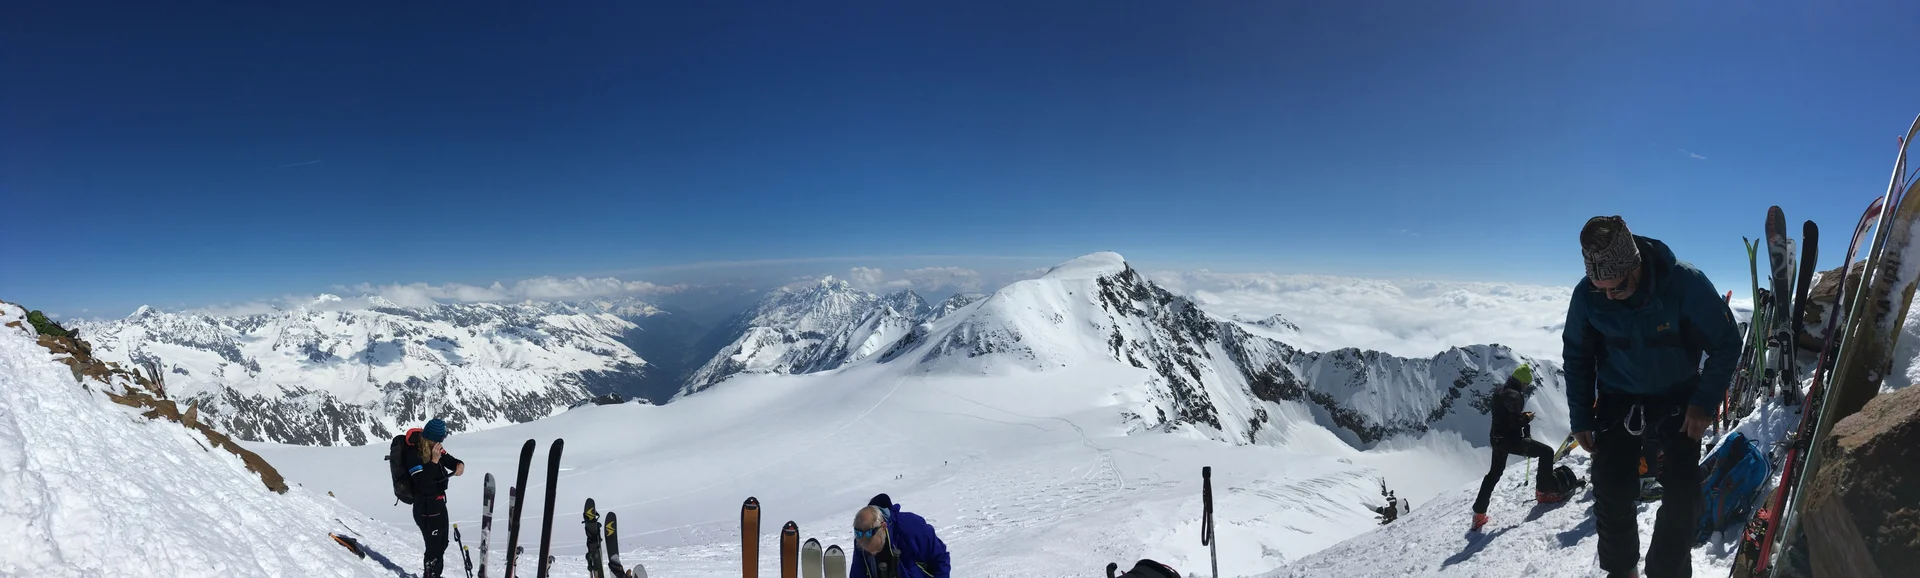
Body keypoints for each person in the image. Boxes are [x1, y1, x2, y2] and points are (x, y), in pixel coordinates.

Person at [1563, 216, 1741, 578]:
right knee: (1611, 490)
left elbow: (1726, 341)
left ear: (1636, 266)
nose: (1610, 296)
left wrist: (1704, 402)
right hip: (1618, 397)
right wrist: (1581, 415)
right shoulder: (1589, 296)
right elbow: (1577, 356)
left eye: (1618, 287)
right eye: (1603, 289)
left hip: (1678, 396)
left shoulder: (1683, 283)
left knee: (1684, 498)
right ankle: (1621, 570)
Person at [1470, 363, 1570, 531]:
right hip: (1511, 440)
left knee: (1494, 473)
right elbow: (1515, 423)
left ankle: (1479, 514)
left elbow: (1505, 416)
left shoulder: (1499, 391)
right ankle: (1543, 492)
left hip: (1497, 439)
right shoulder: (1515, 396)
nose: (1526, 387)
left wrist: (1521, 417)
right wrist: (1527, 419)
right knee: (1546, 452)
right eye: (1526, 384)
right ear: (1522, 382)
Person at [402, 418, 465, 578]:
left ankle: (434, 574)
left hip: (438, 504)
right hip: (425, 508)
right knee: (433, 549)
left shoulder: (436, 449)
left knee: (442, 543)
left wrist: (459, 464)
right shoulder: (413, 453)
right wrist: (434, 461)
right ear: (431, 438)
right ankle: (431, 575)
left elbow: (450, 460)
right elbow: (422, 483)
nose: (441, 443)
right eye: (440, 439)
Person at [850, 494, 950, 578]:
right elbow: (858, 573)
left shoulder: (911, 527)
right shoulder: (861, 540)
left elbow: (940, 558)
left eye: (876, 549)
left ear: (883, 527)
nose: (873, 554)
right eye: (869, 552)